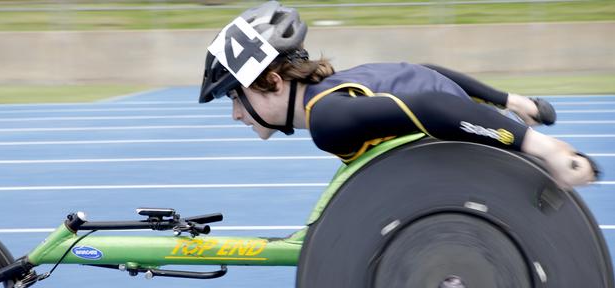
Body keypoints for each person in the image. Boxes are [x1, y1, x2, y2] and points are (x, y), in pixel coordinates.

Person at [198, 1, 598, 189]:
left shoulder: (327, 120)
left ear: (271, 81)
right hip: (480, 128)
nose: (236, 114)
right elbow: (425, 72)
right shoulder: (339, 84)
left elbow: (429, 104)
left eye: (235, 96)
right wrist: (512, 101)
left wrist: (542, 149)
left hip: (478, 153)